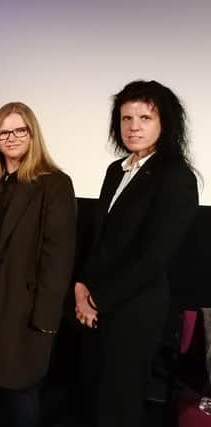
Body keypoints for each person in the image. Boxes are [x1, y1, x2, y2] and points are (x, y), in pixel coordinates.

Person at [74, 80, 199, 427]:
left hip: (134, 309)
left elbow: (155, 255)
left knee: (119, 405)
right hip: (95, 305)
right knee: (91, 396)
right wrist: (82, 285)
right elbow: (100, 239)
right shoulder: (117, 170)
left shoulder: (176, 176)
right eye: (126, 118)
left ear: (165, 123)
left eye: (145, 117)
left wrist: (99, 298)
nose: (134, 126)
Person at [0, 102, 76, 427]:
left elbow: (59, 257)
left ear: (32, 133)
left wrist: (45, 321)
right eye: (3, 132)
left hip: (24, 314)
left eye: (19, 130)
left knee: (20, 401)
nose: (11, 138)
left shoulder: (53, 184)